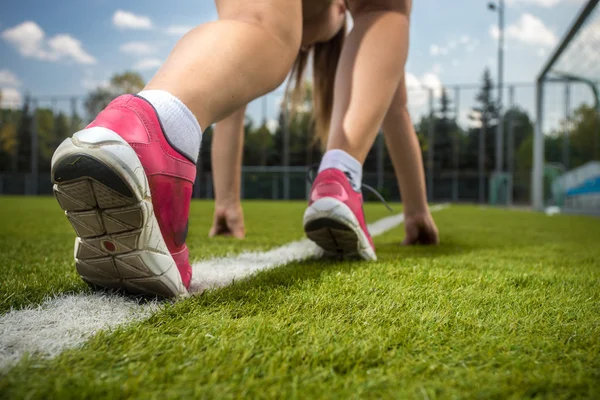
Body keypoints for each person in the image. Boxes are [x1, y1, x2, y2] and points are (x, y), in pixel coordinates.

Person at [51, 0, 438, 298]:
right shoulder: (344, 16)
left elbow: (230, 113)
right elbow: (397, 108)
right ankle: (338, 180)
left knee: (253, 25)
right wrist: (416, 210)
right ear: (341, 9)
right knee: (380, 8)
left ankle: (142, 124)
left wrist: (228, 203)